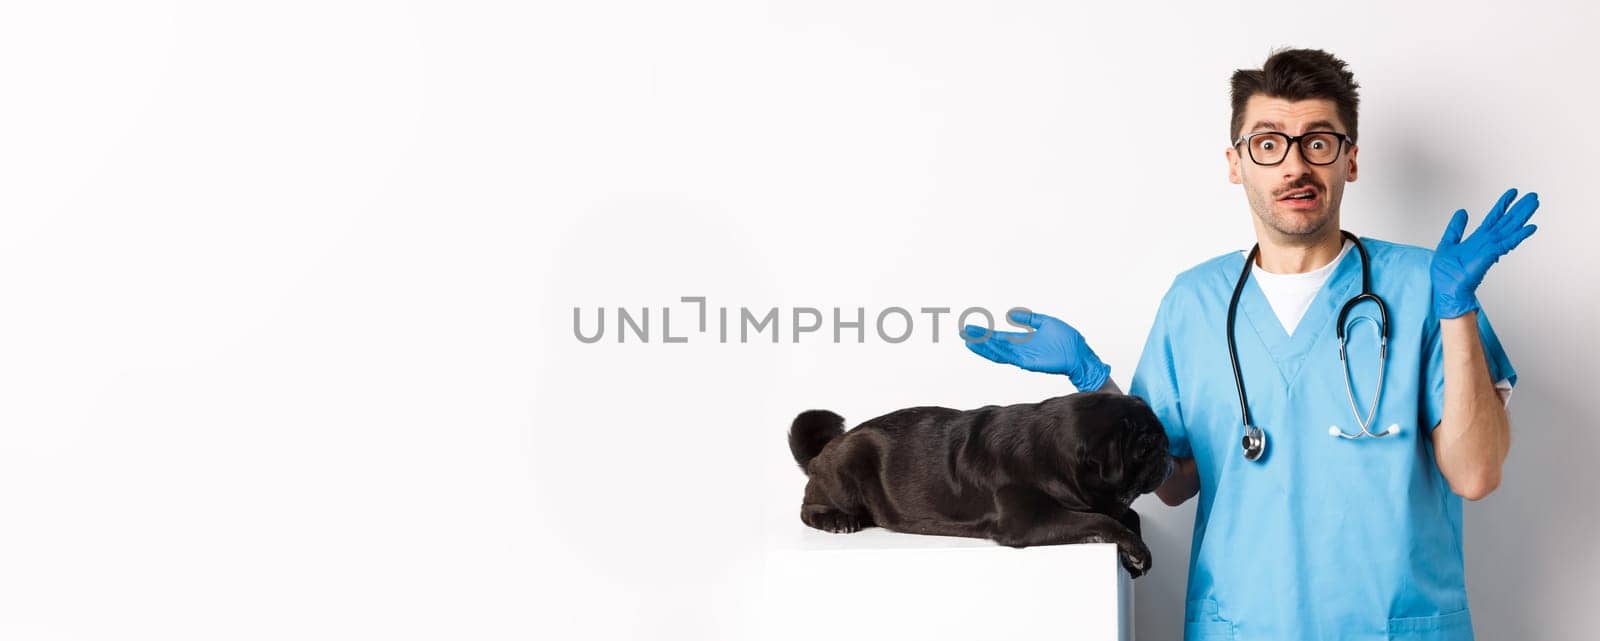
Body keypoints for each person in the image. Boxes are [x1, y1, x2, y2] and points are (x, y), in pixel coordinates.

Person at [961, 48, 1537, 640]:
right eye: (1268, 144)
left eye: (1318, 142)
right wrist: (1092, 382)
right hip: (1244, 625)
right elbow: (1172, 481)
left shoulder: (1425, 286)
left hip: (1392, 626)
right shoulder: (1194, 302)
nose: (1294, 166)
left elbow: (1476, 474)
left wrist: (1457, 310)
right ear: (1236, 163)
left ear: (1350, 159)